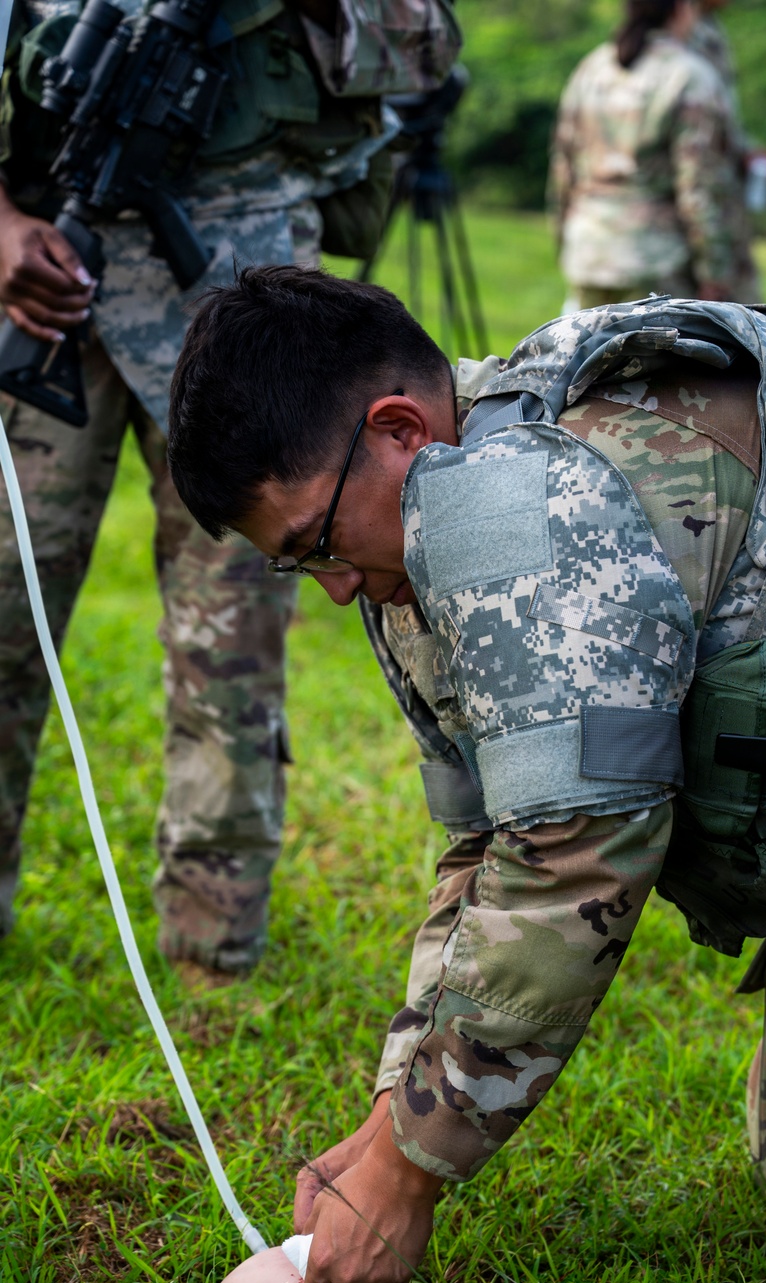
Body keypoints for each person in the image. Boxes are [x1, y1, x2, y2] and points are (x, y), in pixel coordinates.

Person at [166, 266, 766, 1283]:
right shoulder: (429, 532)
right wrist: (386, 1121)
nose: (335, 583)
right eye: (292, 563)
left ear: (398, 430)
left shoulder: (520, 507)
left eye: (314, 539)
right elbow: (486, 857)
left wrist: (412, 1174)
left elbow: (574, 859)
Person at [0, 0, 459, 984]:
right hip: (41, 279)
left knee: (231, 651)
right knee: (5, 609)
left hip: (248, 307)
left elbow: (426, 44)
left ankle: (214, 950)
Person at [547, 0, 759, 312]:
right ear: (682, 9)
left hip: (588, 251)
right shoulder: (690, 76)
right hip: (657, 260)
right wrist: (715, 272)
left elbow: (563, 169)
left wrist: (564, 237)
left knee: (585, 357)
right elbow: (700, 188)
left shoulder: (592, 68)